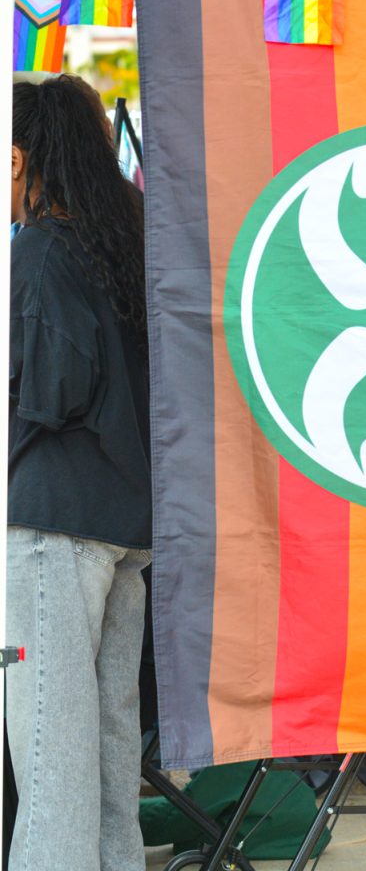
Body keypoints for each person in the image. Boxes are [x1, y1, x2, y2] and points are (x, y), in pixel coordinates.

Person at [7, 75, 151, 871]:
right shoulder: (124, 246)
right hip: (127, 527)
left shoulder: (38, 252)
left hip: (52, 525)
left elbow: (54, 390)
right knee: (106, 740)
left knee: (51, 742)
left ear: (20, 157)